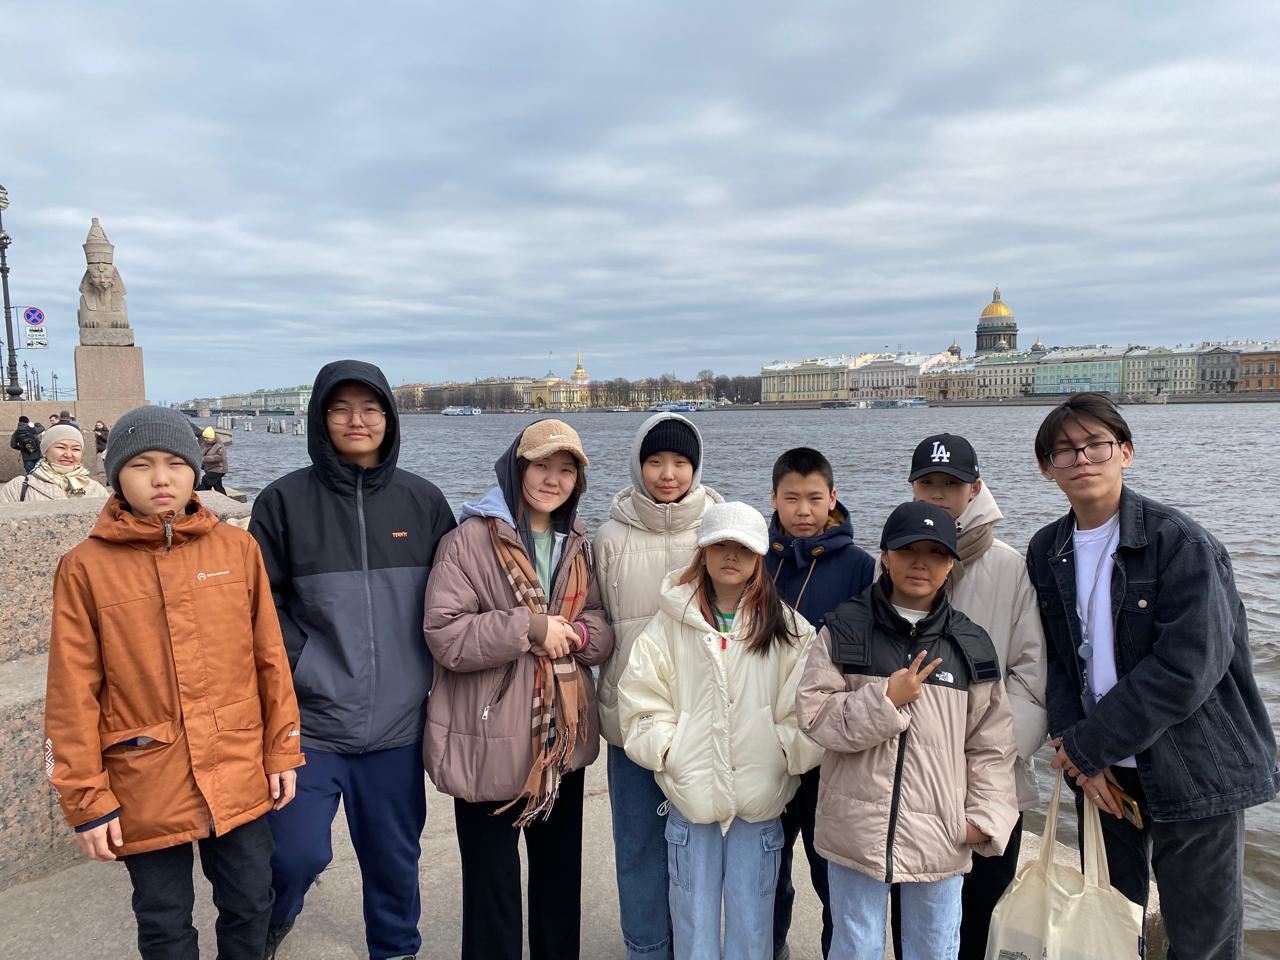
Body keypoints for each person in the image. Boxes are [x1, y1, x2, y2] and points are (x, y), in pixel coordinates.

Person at [44, 404, 303, 960]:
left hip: (237, 765)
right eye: (141, 465)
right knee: (163, 921)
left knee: (251, 903)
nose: (161, 478)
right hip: (143, 777)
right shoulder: (84, 567)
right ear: (117, 475)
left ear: (195, 469)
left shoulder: (237, 549)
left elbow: (270, 659)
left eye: (175, 463)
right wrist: (86, 799)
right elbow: (70, 694)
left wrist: (283, 749)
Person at [1027, 392, 1279, 960]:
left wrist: (1086, 747)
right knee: (1109, 935)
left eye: (1096, 445)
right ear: (1047, 468)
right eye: (1065, 450)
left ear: (1126, 452)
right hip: (1103, 775)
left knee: (1202, 943)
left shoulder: (1180, 543)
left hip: (1195, 769)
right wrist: (1076, 754)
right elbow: (1056, 661)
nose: (1082, 459)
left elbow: (1189, 666)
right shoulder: (1047, 548)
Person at [249, 360, 456, 960]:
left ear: (389, 419)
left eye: (370, 408)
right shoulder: (282, 501)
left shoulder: (423, 501)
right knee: (294, 853)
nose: (356, 420)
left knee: (394, 859)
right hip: (311, 724)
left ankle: (396, 949)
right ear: (321, 418)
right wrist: (307, 663)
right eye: (340, 408)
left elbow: (456, 597)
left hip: (398, 726)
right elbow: (258, 605)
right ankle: (274, 916)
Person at [424, 419, 613, 960]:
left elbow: (600, 626)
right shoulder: (468, 541)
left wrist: (578, 635)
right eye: (541, 466)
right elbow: (445, 634)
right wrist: (528, 628)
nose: (553, 480)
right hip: (487, 742)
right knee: (492, 896)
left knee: (559, 888)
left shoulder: (579, 543)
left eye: (566, 470)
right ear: (516, 468)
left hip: (560, 743)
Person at [797, 501, 1017, 960]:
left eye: (936, 553)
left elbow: (992, 744)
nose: (921, 563)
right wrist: (884, 701)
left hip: (941, 834)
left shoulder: (971, 644)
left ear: (951, 564)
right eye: (907, 549)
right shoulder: (844, 627)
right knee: (854, 946)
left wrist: (984, 817)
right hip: (854, 829)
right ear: (885, 555)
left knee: (935, 948)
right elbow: (815, 716)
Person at [619, 501, 823, 960]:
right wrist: (670, 751)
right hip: (692, 801)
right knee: (692, 922)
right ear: (703, 552)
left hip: (759, 801)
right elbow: (641, 699)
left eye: (743, 548)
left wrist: (781, 755)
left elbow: (808, 710)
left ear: (759, 557)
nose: (731, 556)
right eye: (720, 546)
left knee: (753, 925)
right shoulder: (668, 624)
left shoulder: (790, 629)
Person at [887, 434, 1047, 960]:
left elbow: (1031, 679)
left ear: (974, 489)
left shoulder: (1009, 568)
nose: (938, 494)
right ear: (912, 487)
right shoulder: (891, 563)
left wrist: (990, 759)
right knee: (912, 924)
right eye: (927, 483)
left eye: (950, 484)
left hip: (991, 784)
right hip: (913, 782)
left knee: (978, 920)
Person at [594, 412, 723, 960]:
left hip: (704, 720)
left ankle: (695, 947)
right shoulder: (609, 536)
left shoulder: (718, 528)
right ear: (637, 464)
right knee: (637, 844)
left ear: (696, 466)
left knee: (700, 847)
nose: (668, 474)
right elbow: (598, 619)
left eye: (680, 462)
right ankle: (646, 948)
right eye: (655, 461)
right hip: (632, 720)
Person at [765, 447, 875, 960]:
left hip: (829, 747)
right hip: (766, 738)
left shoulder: (859, 567)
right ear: (774, 499)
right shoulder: (756, 559)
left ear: (833, 498)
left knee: (832, 871)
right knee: (767, 865)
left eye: (814, 498)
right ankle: (769, 946)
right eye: (792, 499)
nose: (804, 511)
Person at [0, 424, 109, 502]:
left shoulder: (96, 489)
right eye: (61, 447)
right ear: (45, 451)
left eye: (75, 449)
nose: (68, 454)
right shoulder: (17, 488)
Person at [198, 426, 229, 494]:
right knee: (217, 485)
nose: (205, 439)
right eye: (204, 437)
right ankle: (223, 496)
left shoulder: (219, 445)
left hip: (219, 469)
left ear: (212, 438)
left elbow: (220, 457)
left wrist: (204, 459)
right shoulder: (206, 444)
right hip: (210, 469)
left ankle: (203, 494)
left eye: (207, 438)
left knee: (205, 479)